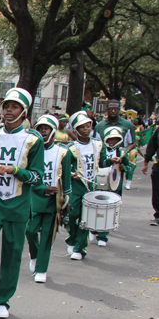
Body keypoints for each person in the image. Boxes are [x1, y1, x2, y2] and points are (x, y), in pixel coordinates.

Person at [0, 88, 44, 319]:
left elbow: (38, 176)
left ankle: (3, 300)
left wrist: (15, 170)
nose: (8, 110)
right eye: (6, 106)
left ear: (24, 111)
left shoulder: (34, 140)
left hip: (19, 204)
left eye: (14, 106)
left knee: (12, 255)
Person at [26, 115, 73, 284]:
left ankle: (41, 269)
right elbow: (27, 177)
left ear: (53, 131)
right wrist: (41, 188)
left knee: (47, 237)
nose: (43, 131)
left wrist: (67, 203)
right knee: (30, 231)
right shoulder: (30, 149)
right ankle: (34, 254)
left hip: (54, 201)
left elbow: (67, 181)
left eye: (46, 128)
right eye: (40, 128)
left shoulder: (63, 152)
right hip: (33, 198)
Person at [65, 111, 102, 260]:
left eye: (88, 126)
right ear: (76, 130)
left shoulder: (98, 145)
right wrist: (71, 174)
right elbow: (65, 167)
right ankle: (72, 238)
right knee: (72, 215)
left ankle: (80, 248)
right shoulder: (71, 148)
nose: (86, 129)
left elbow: (103, 162)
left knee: (85, 218)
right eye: (82, 127)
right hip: (76, 186)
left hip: (91, 185)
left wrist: (113, 162)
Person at [92, 126, 129, 246]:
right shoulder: (100, 149)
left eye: (115, 139)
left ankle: (103, 236)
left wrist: (124, 167)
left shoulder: (122, 152)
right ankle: (93, 229)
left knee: (109, 210)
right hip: (99, 182)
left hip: (114, 184)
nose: (112, 142)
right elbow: (96, 163)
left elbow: (128, 166)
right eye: (110, 139)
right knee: (95, 207)